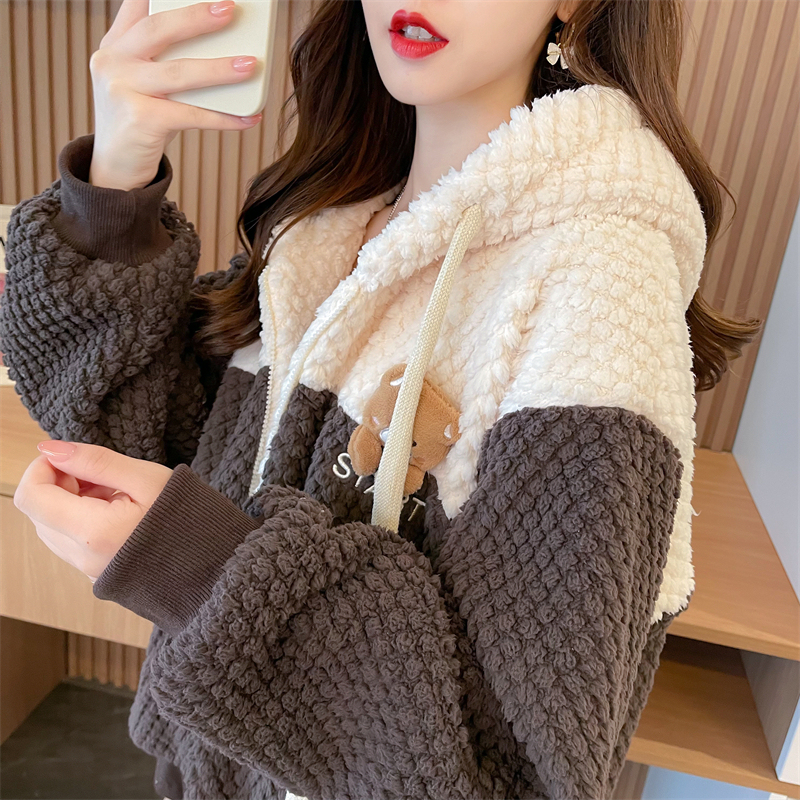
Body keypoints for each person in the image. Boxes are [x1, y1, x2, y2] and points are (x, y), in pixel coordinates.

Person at [0, 1, 761, 799]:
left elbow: (514, 777)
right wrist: (116, 181)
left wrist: (206, 571)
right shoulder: (329, 230)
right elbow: (134, 432)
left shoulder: (598, 287)